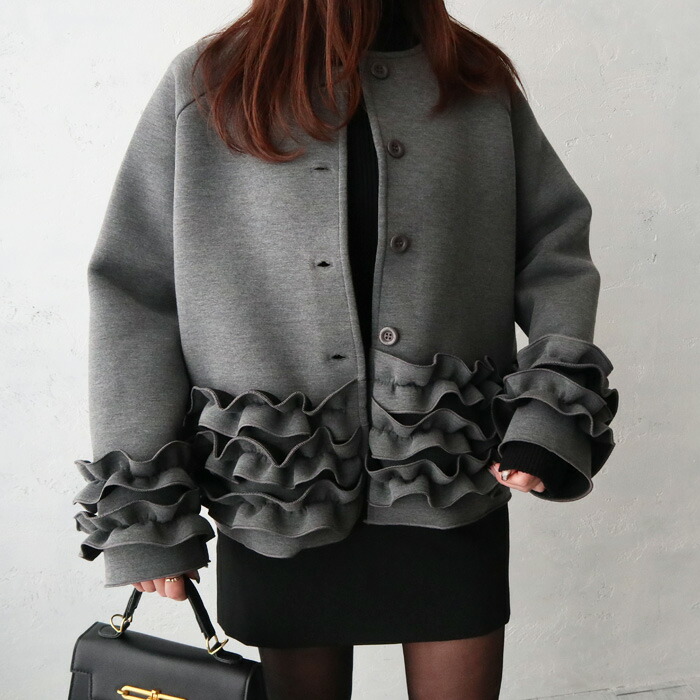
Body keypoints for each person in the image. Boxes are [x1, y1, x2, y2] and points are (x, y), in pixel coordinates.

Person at [72, 1, 619, 698]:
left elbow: (555, 252)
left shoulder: (473, 80)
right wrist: (145, 520)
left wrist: (547, 418)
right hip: (279, 501)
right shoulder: (212, 84)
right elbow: (136, 297)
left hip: (446, 485)